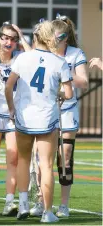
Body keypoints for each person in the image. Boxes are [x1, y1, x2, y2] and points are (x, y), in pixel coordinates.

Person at [5, 20, 73, 223]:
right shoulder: (59, 61)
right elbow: (68, 93)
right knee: (46, 165)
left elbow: (9, 87)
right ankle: (47, 212)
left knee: (23, 161)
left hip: (24, 118)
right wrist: (57, 91)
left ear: (36, 37)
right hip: (47, 119)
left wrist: (11, 108)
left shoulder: (22, 58)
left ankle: (23, 204)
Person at [0, 22, 30, 216]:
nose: (8, 42)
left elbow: (33, 55)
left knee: (14, 160)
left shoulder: (20, 58)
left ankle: (9, 201)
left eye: (12, 39)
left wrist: (21, 35)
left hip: (13, 114)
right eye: (5, 37)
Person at [51, 15, 88, 218]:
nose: (56, 41)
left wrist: (65, 71)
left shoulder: (75, 54)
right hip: (46, 110)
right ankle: (40, 199)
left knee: (65, 156)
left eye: (60, 37)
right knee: (43, 158)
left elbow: (83, 82)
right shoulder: (44, 53)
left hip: (67, 109)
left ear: (66, 37)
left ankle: (64, 205)